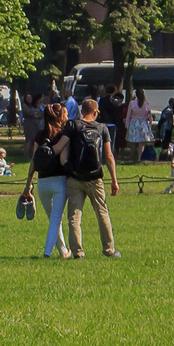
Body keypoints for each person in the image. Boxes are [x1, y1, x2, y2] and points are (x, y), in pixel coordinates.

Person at [62, 97, 121, 256]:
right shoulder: (102, 128)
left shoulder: (73, 126)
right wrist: (114, 180)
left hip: (75, 178)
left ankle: (77, 252)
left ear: (82, 111)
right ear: (95, 112)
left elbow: (63, 147)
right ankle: (109, 249)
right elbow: (108, 156)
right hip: (95, 178)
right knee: (102, 213)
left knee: (74, 216)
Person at [21, 102, 72, 257]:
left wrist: (28, 185)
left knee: (53, 220)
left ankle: (63, 251)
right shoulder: (63, 134)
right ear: (61, 116)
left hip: (42, 182)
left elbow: (34, 161)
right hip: (59, 181)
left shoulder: (40, 135)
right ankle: (47, 252)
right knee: (56, 220)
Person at [124, 86, 154, 163]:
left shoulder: (132, 103)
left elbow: (128, 115)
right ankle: (139, 158)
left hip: (134, 123)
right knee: (141, 143)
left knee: (134, 143)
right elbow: (149, 115)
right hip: (143, 123)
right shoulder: (146, 103)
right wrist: (150, 124)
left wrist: (127, 124)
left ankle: (131, 156)